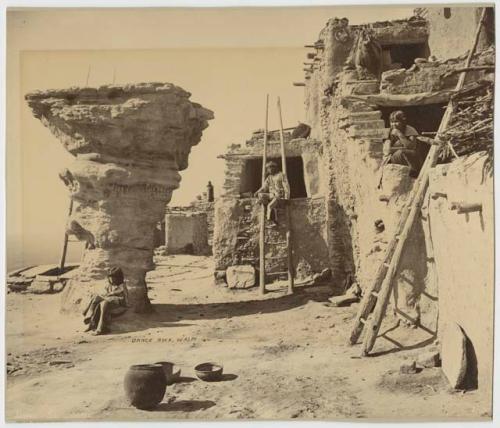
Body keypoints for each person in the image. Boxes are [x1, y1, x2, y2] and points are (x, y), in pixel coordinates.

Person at [82, 266, 128, 335]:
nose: (111, 279)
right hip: (110, 300)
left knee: (104, 303)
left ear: (118, 278)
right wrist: (105, 295)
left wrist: (109, 295)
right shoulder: (109, 285)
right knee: (96, 297)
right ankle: (89, 318)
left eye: (113, 277)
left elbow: (120, 296)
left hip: (119, 302)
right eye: (110, 277)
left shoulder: (122, 285)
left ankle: (100, 328)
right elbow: (106, 293)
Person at [383, 110, 423, 178]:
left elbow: (411, 146)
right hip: (395, 157)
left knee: (403, 152)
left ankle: (414, 172)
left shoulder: (410, 129)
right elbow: (386, 150)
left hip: (412, 157)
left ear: (402, 121)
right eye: (392, 122)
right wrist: (399, 148)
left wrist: (399, 134)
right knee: (400, 152)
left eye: (396, 122)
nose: (393, 124)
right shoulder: (390, 132)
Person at [254, 161, 290, 225]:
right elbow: (264, 187)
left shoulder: (281, 175)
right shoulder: (269, 177)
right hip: (272, 195)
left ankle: (271, 219)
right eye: (268, 168)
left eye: (271, 167)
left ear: (275, 168)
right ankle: (270, 206)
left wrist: (287, 197)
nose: (269, 169)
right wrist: (257, 192)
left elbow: (286, 186)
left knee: (270, 206)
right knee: (260, 195)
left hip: (279, 195)